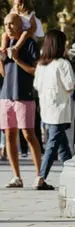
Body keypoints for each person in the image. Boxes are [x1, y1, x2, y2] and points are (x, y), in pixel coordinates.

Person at [0, 12, 42, 188]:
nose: (8, 27)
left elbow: (35, 70)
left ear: (20, 24)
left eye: (11, 24)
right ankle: (16, 177)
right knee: (9, 135)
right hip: (5, 95)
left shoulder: (29, 43)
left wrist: (16, 59)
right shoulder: (5, 44)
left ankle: (41, 174)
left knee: (28, 134)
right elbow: (3, 73)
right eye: (5, 24)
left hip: (24, 95)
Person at [33, 29, 75, 191]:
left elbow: (37, 86)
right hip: (60, 109)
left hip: (46, 109)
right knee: (52, 144)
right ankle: (41, 177)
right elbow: (70, 86)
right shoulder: (63, 64)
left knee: (62, 145)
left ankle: (72, 173)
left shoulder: (41, 65)